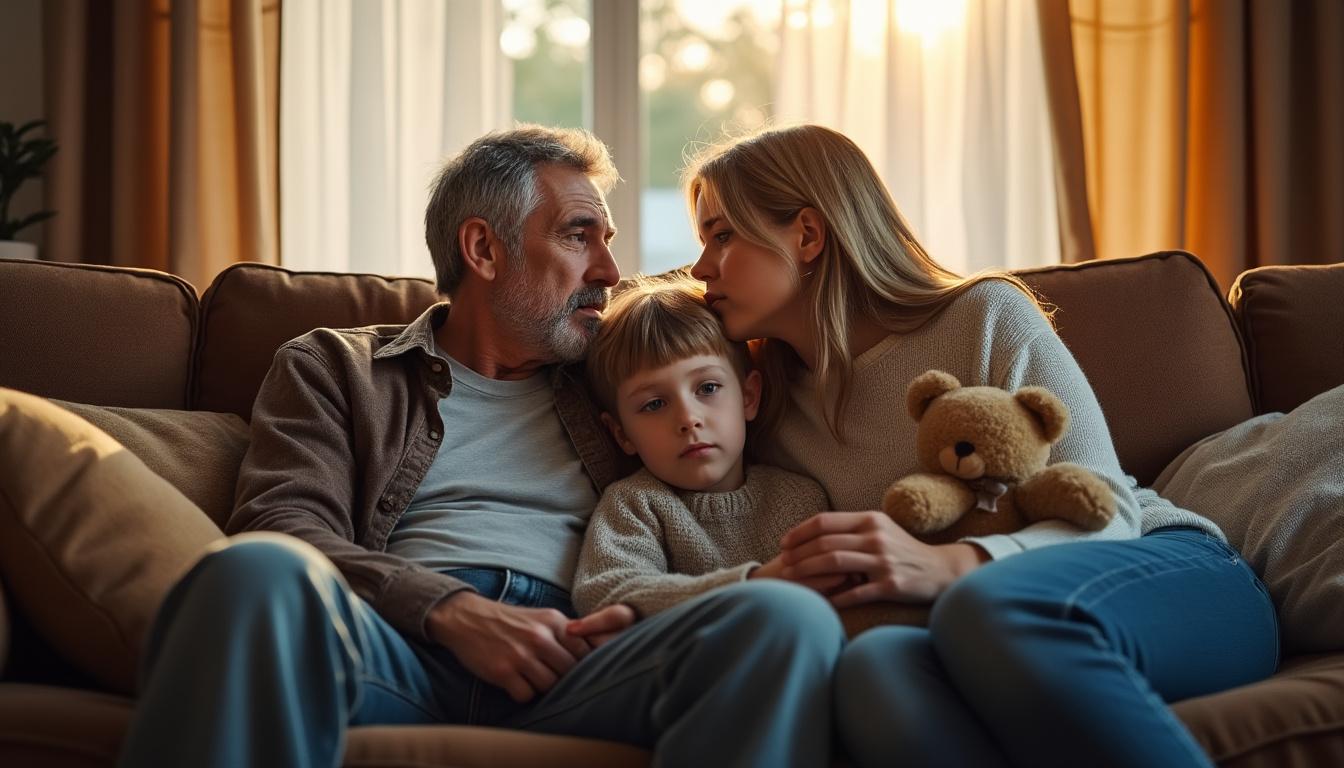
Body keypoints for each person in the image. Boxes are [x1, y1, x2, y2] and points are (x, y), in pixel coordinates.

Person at [117, 125, 844, 768]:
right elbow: (285, 524)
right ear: (483, 249)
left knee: (785, 619)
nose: (608, 273)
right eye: (577, 235)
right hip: (395, 652)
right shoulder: (338, 367)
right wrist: (452, 612)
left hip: (577, 661)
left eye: (608, 243)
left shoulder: (618, 379)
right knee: (255, 570)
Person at [684, 123, 1279, 768]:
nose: (700, 267)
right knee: (872, 669)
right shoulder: (760, 408)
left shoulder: (984, 316)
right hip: (973, 632)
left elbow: (1110, 510)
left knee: (984, 604)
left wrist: (952, 565)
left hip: (1167, 575)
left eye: (723, 235)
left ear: (806, 234)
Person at [571, 273, 833, 619]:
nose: (687, 419)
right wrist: (752, 582)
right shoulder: (634, 504)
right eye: (654, 404)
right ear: (622, 434)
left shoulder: (800, 500)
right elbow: (606, 593)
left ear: (749, 397)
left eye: (707, 388)